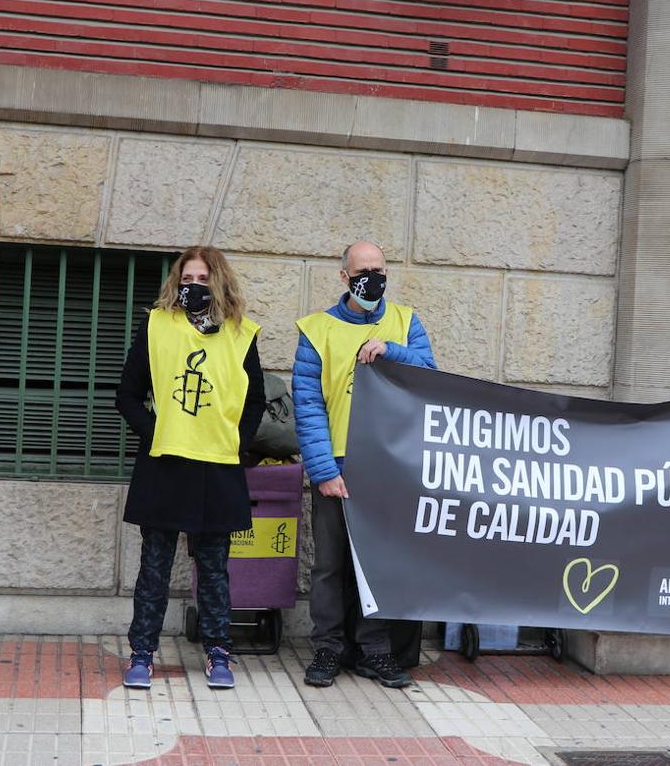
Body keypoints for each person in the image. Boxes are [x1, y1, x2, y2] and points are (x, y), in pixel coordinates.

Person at [115, 246, 265, 691]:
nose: (192, 286)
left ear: (218, 283)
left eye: (202, 279)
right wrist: (156, 431)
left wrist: (235, 441)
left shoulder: (242, 334)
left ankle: (220, 653)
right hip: (165, 464)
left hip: (217, 467)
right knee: (154, 567)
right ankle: (141, 653)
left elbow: (254, 400)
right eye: (187, 278)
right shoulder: (157, 325)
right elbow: (126, 394)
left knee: (216, 568)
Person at [294, 240, 437, 689]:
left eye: (379, 269)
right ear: (344, 277)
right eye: (363, 271)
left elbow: (430, 373)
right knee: (330, 564)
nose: (372, 278)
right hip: (336, 462)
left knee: (377, 563)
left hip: (388, 465)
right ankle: (327, 649)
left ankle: (376, 651)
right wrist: (322, 470)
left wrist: (392, 349)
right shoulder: (317, 330)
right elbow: (308, 404)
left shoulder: (405, 321)